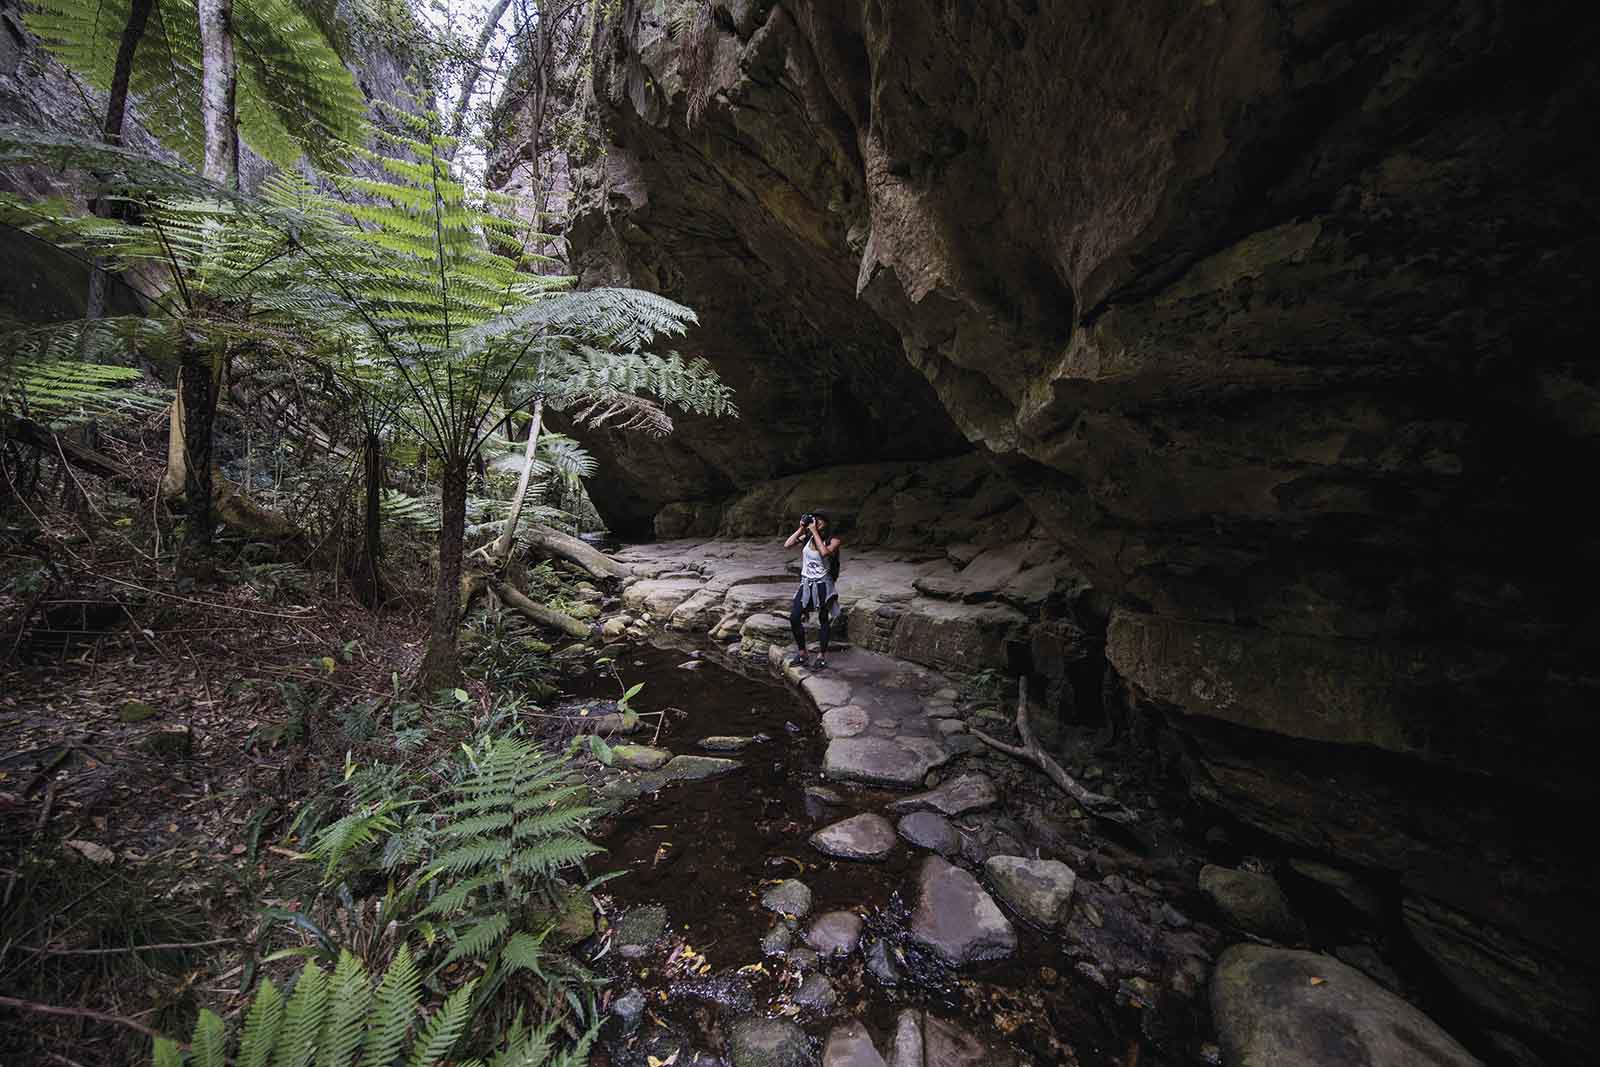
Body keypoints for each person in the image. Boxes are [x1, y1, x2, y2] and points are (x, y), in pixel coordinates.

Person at [784, 510, 841, 668]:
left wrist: (814, 531)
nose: (816, 522)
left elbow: (824, 553)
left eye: (820, 520)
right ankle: (802, 653)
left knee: (823, 619)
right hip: (806, 583)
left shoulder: (833, 540)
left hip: (823, 583)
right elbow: (787, 545)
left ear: (827, 523)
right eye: (814, 519)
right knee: (795, 617)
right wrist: (802, 529)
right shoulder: (807, 537)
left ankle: (821, 655)